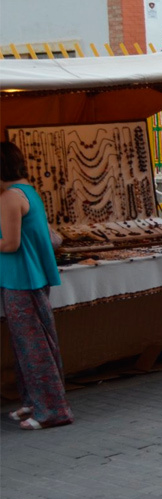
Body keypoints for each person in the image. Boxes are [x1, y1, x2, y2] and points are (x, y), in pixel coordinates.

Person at [0, 141, 74, 430]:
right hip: (27, 276)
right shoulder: (26, 190)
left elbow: (9, 243)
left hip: (22, 278)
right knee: (31, 344)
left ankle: (52, 410)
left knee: (33, 346)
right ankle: (36, 402)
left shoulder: (10, 196)